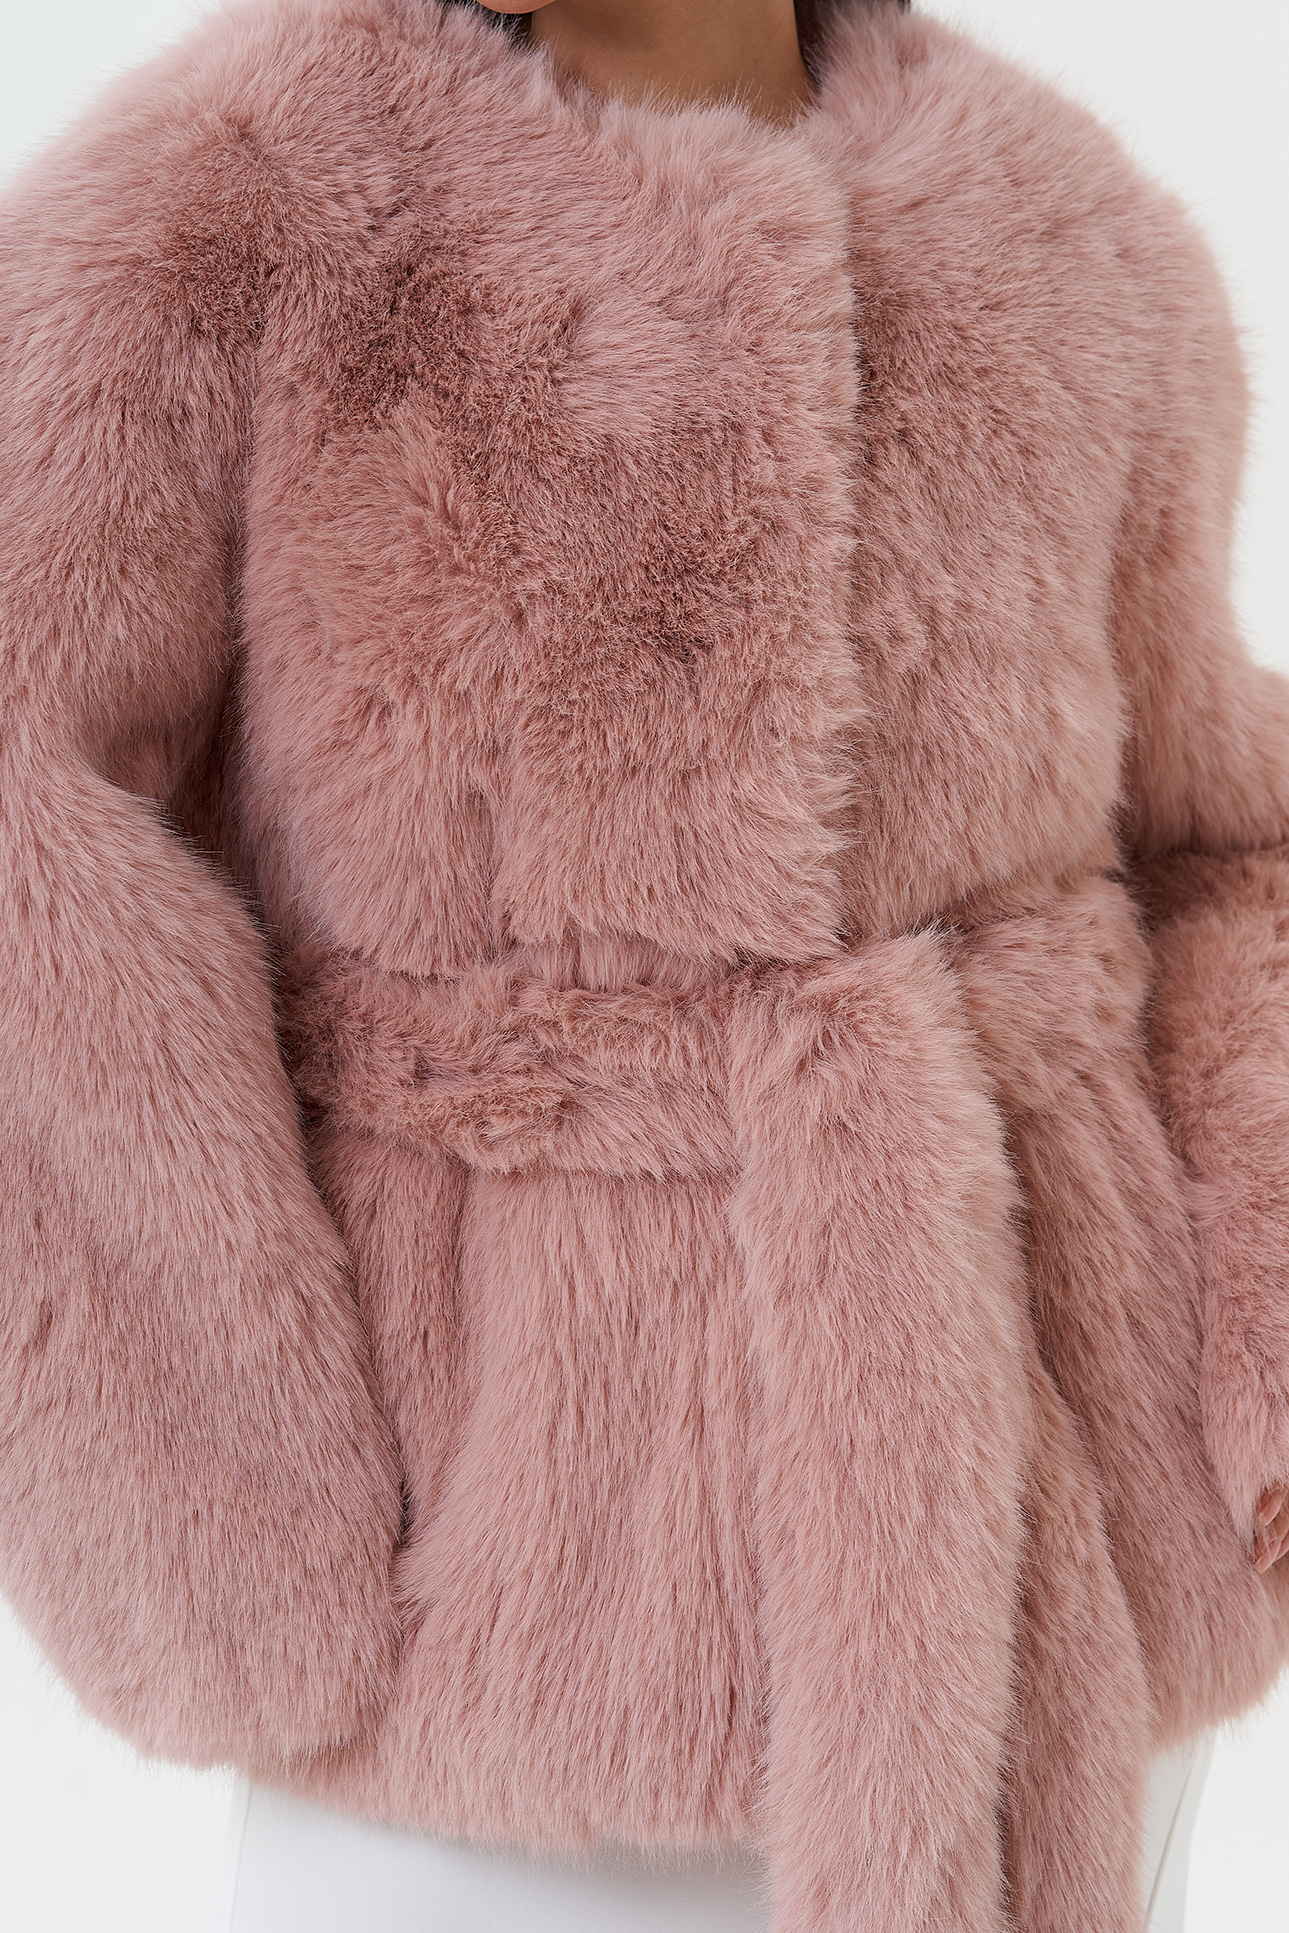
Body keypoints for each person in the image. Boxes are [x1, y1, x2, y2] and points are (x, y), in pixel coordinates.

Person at [1, 3, 1287, 1931]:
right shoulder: (225, 205)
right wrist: (211, 1485)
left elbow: (1221, 845)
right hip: (479, 1609)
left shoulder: (1067, 228)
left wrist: (1260, 1332)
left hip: (1050, 1581)